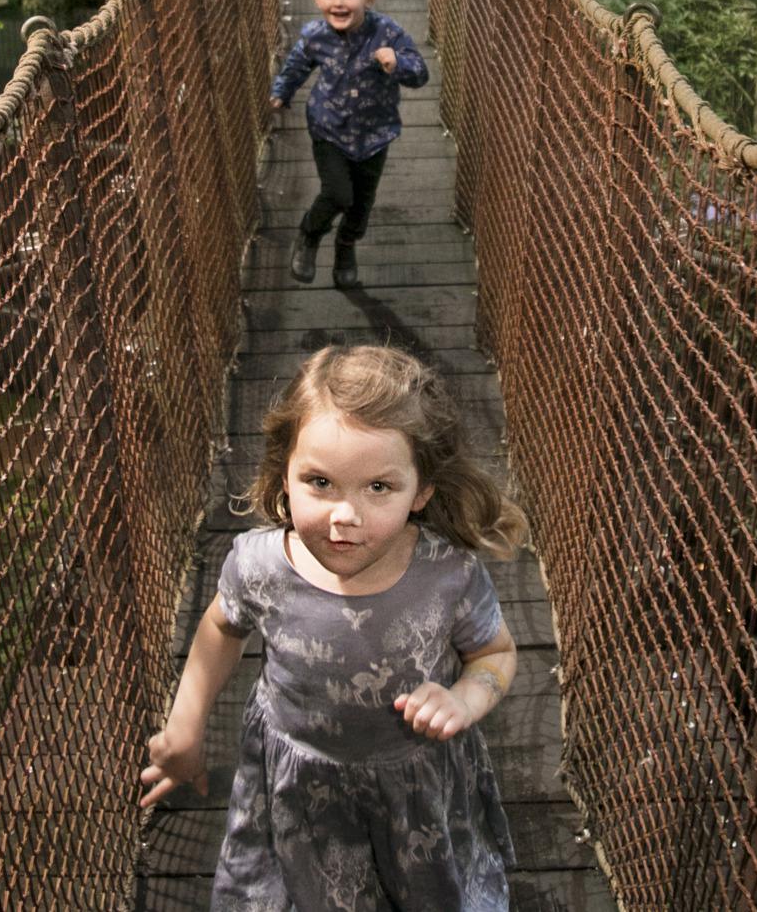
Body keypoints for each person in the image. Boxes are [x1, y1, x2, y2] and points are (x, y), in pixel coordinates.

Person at [141, 343, 525, 911]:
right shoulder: (260, 565)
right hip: (298, 784)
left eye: (378, 488)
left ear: (421, 491)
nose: (345, 516)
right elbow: (222, 626)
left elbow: (495, 652)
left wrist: (465, 700)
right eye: (319, 482)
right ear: (284, 476)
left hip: (411, 787)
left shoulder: (447, 574)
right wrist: (185, 725)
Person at [266, 0, 429, 290]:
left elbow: (420, 74)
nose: (338, 2)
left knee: (362, 204)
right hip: (330, 128)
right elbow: (297, 64)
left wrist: (397, 61)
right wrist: (282, 91)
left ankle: (345, 247)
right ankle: (310, 234)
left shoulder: (387, 32)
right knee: (339, 193)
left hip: (375, 134)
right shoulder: (315, 35)